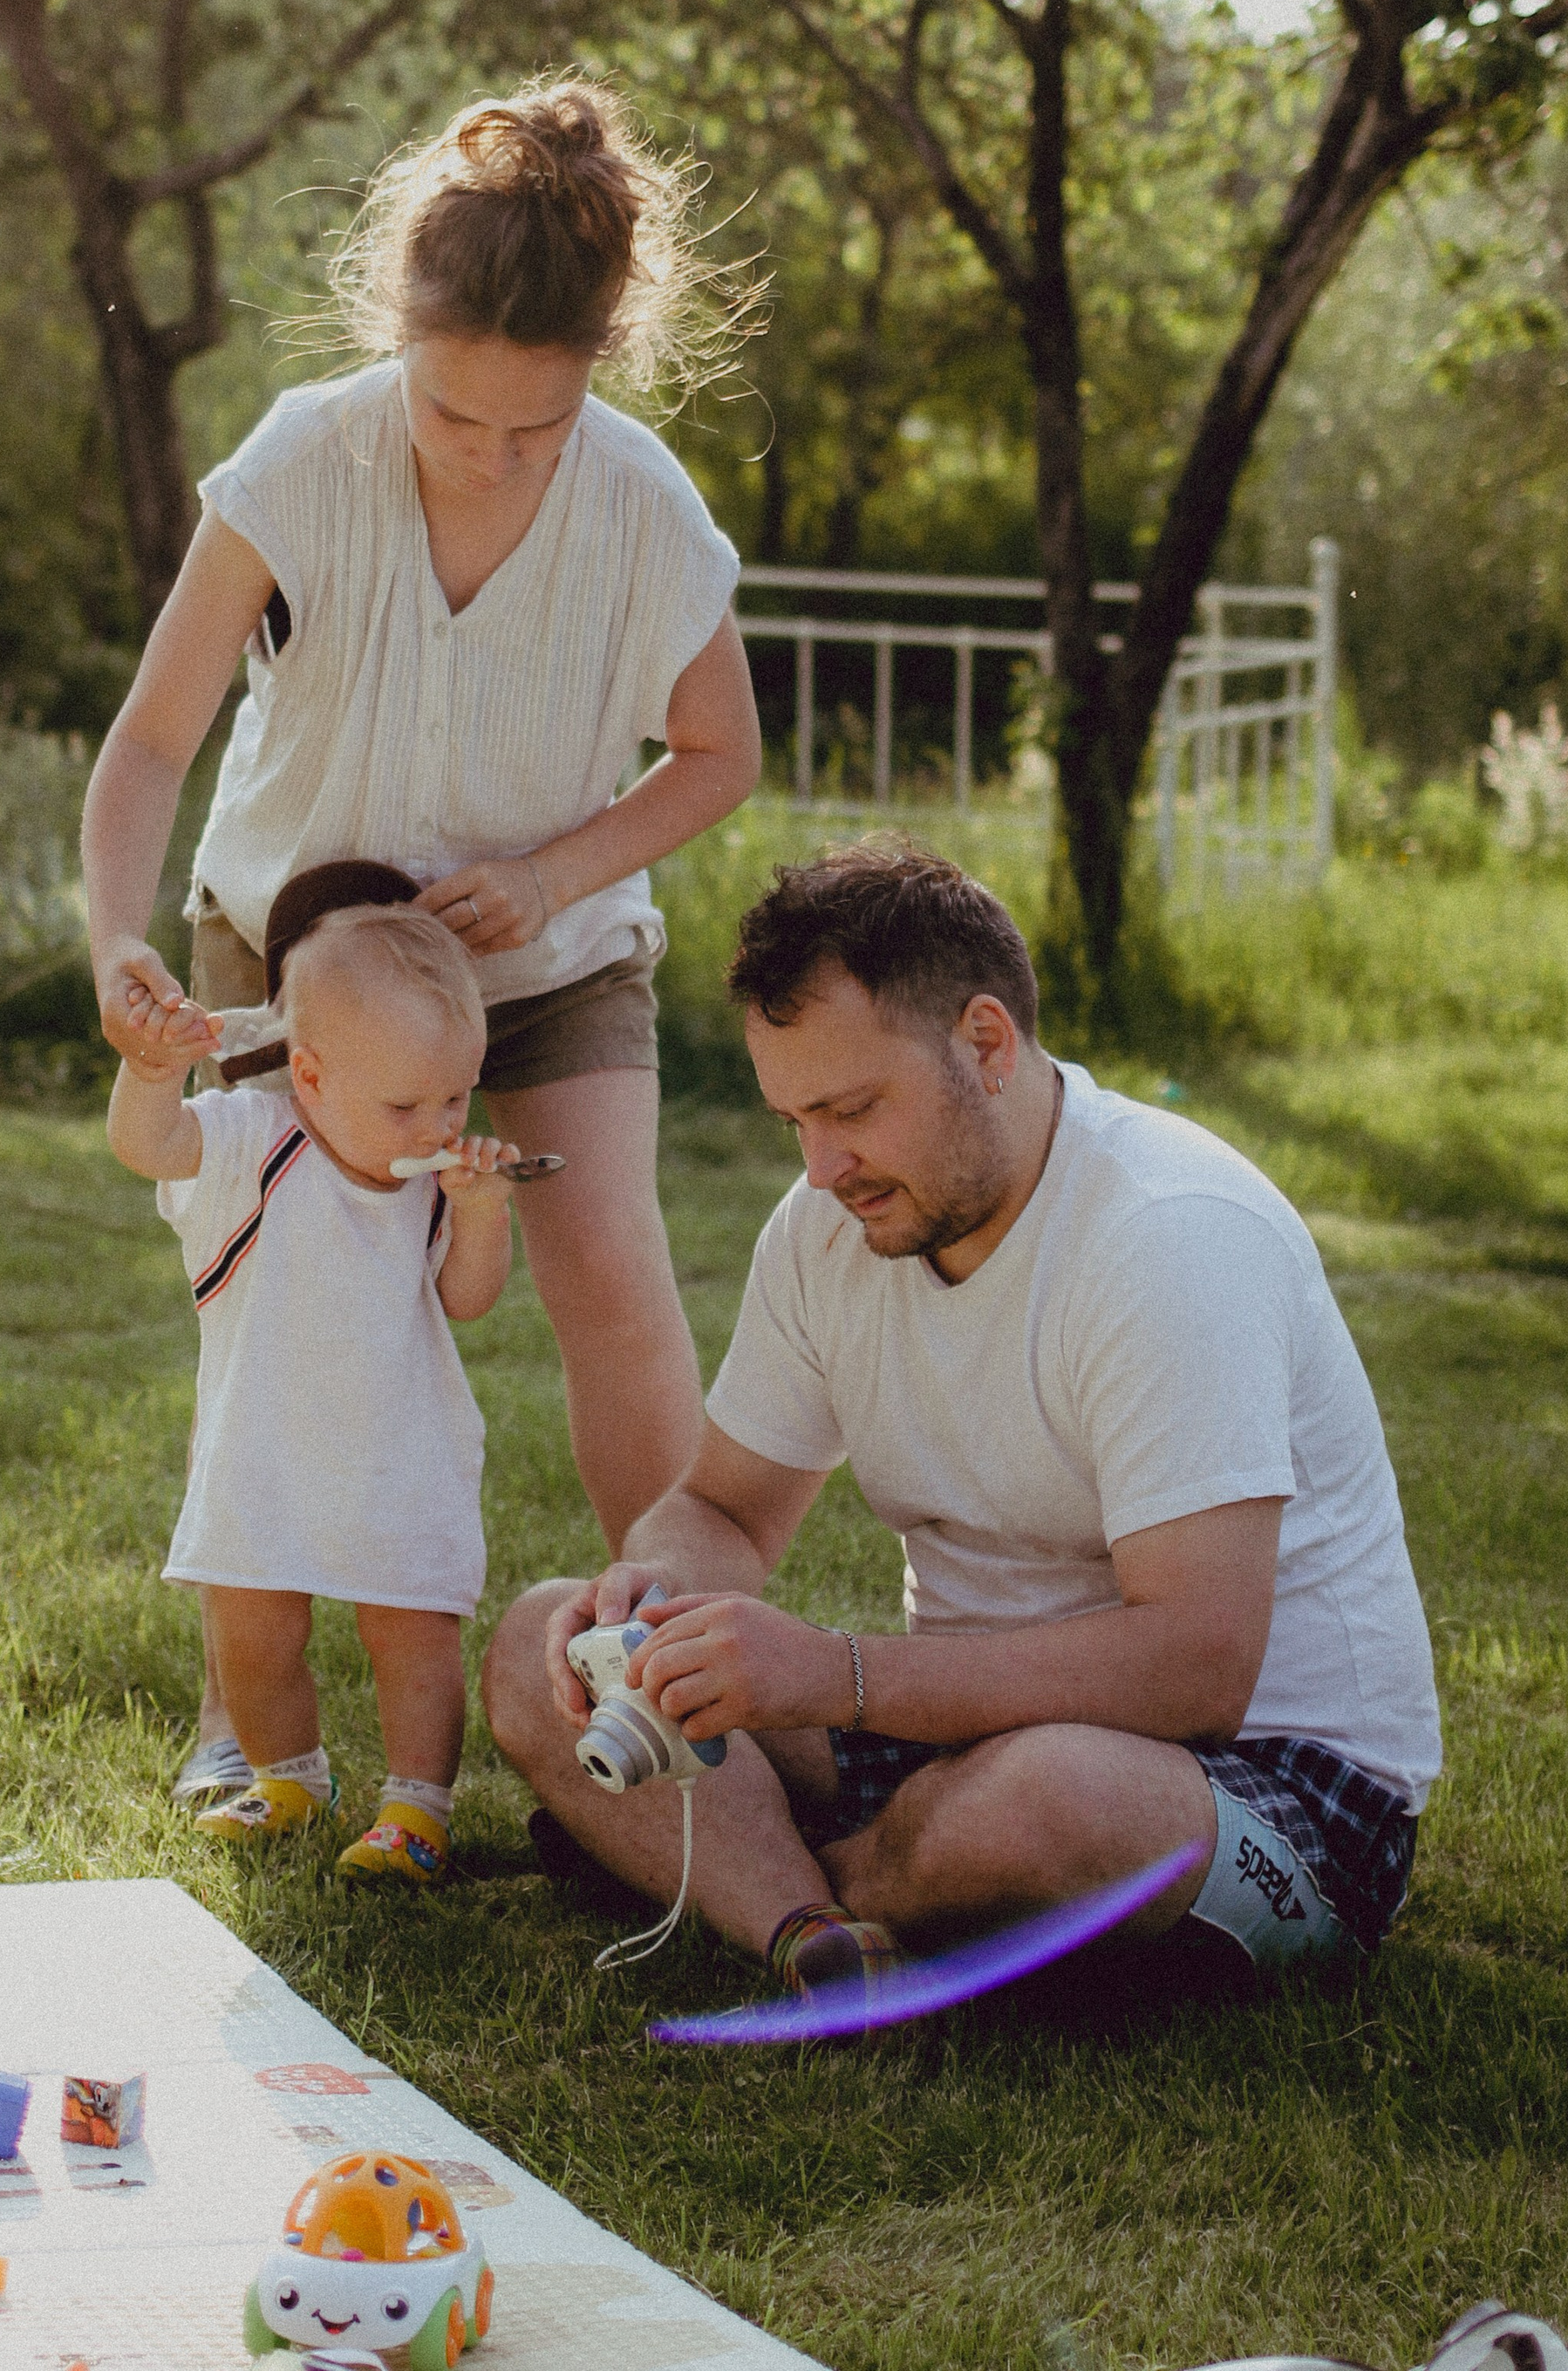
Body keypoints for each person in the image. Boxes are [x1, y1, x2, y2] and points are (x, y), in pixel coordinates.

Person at [83, 79, 761, 1809]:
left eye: (541, 425)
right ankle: (247, 1718)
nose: (492, 451)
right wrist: (113, 945)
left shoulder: (643, 507)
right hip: (295, 958)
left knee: (609, 1270)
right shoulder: (301, 461)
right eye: (456, 410)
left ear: (599, 370)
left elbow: (719, 755)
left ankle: (685, 1671)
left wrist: (550, 875)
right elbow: (151, 742)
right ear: (397, 334)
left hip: (549, 958)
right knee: (285, 1303)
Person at [486, 839, 1442, 2000]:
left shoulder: (1167, 1234)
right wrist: (647, 1600)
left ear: (986, 1044)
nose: (823, 1167)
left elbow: (1197, 1667)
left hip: (1258, 1785)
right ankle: (813, 1930)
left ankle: (720, 1860)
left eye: (851, 1109)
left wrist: (834, 1676)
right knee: (536, 1647)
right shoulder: (828, 1227)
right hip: (954, 1737)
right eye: (794, 1121)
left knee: (1037, 1806)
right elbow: (723, 1509)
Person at [110, 903, 521, 1882]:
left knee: (411, 1631)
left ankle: (416, 1807)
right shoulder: (253, 1143)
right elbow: (148, 1146)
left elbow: (466, 1300)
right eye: (407, 1107)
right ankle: (289, 1778)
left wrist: (481, 1215)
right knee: (252, 1632)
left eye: (458, 1098)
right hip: (265, 1450)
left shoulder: (427, 1181)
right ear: (311, 1076)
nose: (440, 1127)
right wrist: (153, 1073)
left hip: (400, 1449)